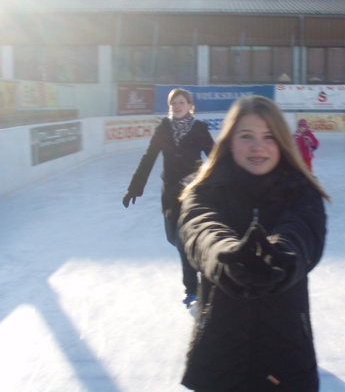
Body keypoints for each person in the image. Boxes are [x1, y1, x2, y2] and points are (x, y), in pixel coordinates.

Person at [178, 96, 329, 392]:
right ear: (230, 142)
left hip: (286, 353)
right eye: (246, 136)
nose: (258, 146)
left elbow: (303, 231)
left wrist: (281, 255)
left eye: (269, 137)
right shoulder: (205, 192)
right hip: (219, 353)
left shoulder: (302, 192)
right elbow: (200, 228)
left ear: (282, 142)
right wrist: (224, 255)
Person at [122, 88, 214, 307]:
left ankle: (193, 288)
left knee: (187, 242)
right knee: (174, 238)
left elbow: (216, 156)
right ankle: (196, 282)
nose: (178, 106)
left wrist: (229, 182)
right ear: (170, 106)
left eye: (182, 102)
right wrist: (135, 187)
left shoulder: (199, 129)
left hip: (194, 194)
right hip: (171, 194)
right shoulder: (163, 129)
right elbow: (148, 158)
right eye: (174, 103)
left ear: (190, 105)